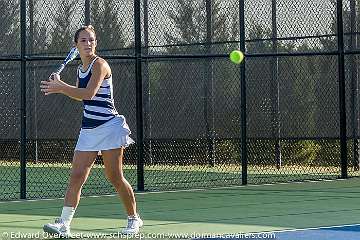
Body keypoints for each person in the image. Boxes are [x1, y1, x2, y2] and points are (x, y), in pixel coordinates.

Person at [40, 25, 143, 237]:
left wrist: (61, 87)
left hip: (109, 126)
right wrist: (62, 87)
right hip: (89, 130)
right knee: (77, 175)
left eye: (91, 40)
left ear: (95, 43)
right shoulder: (80, 69)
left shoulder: (100, 65)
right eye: (84, 40)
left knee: (114, 176)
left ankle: (134, 218)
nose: (88, 44)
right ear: (76, 45)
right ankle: (64, 224)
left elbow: (89, 93)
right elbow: (79, 96)